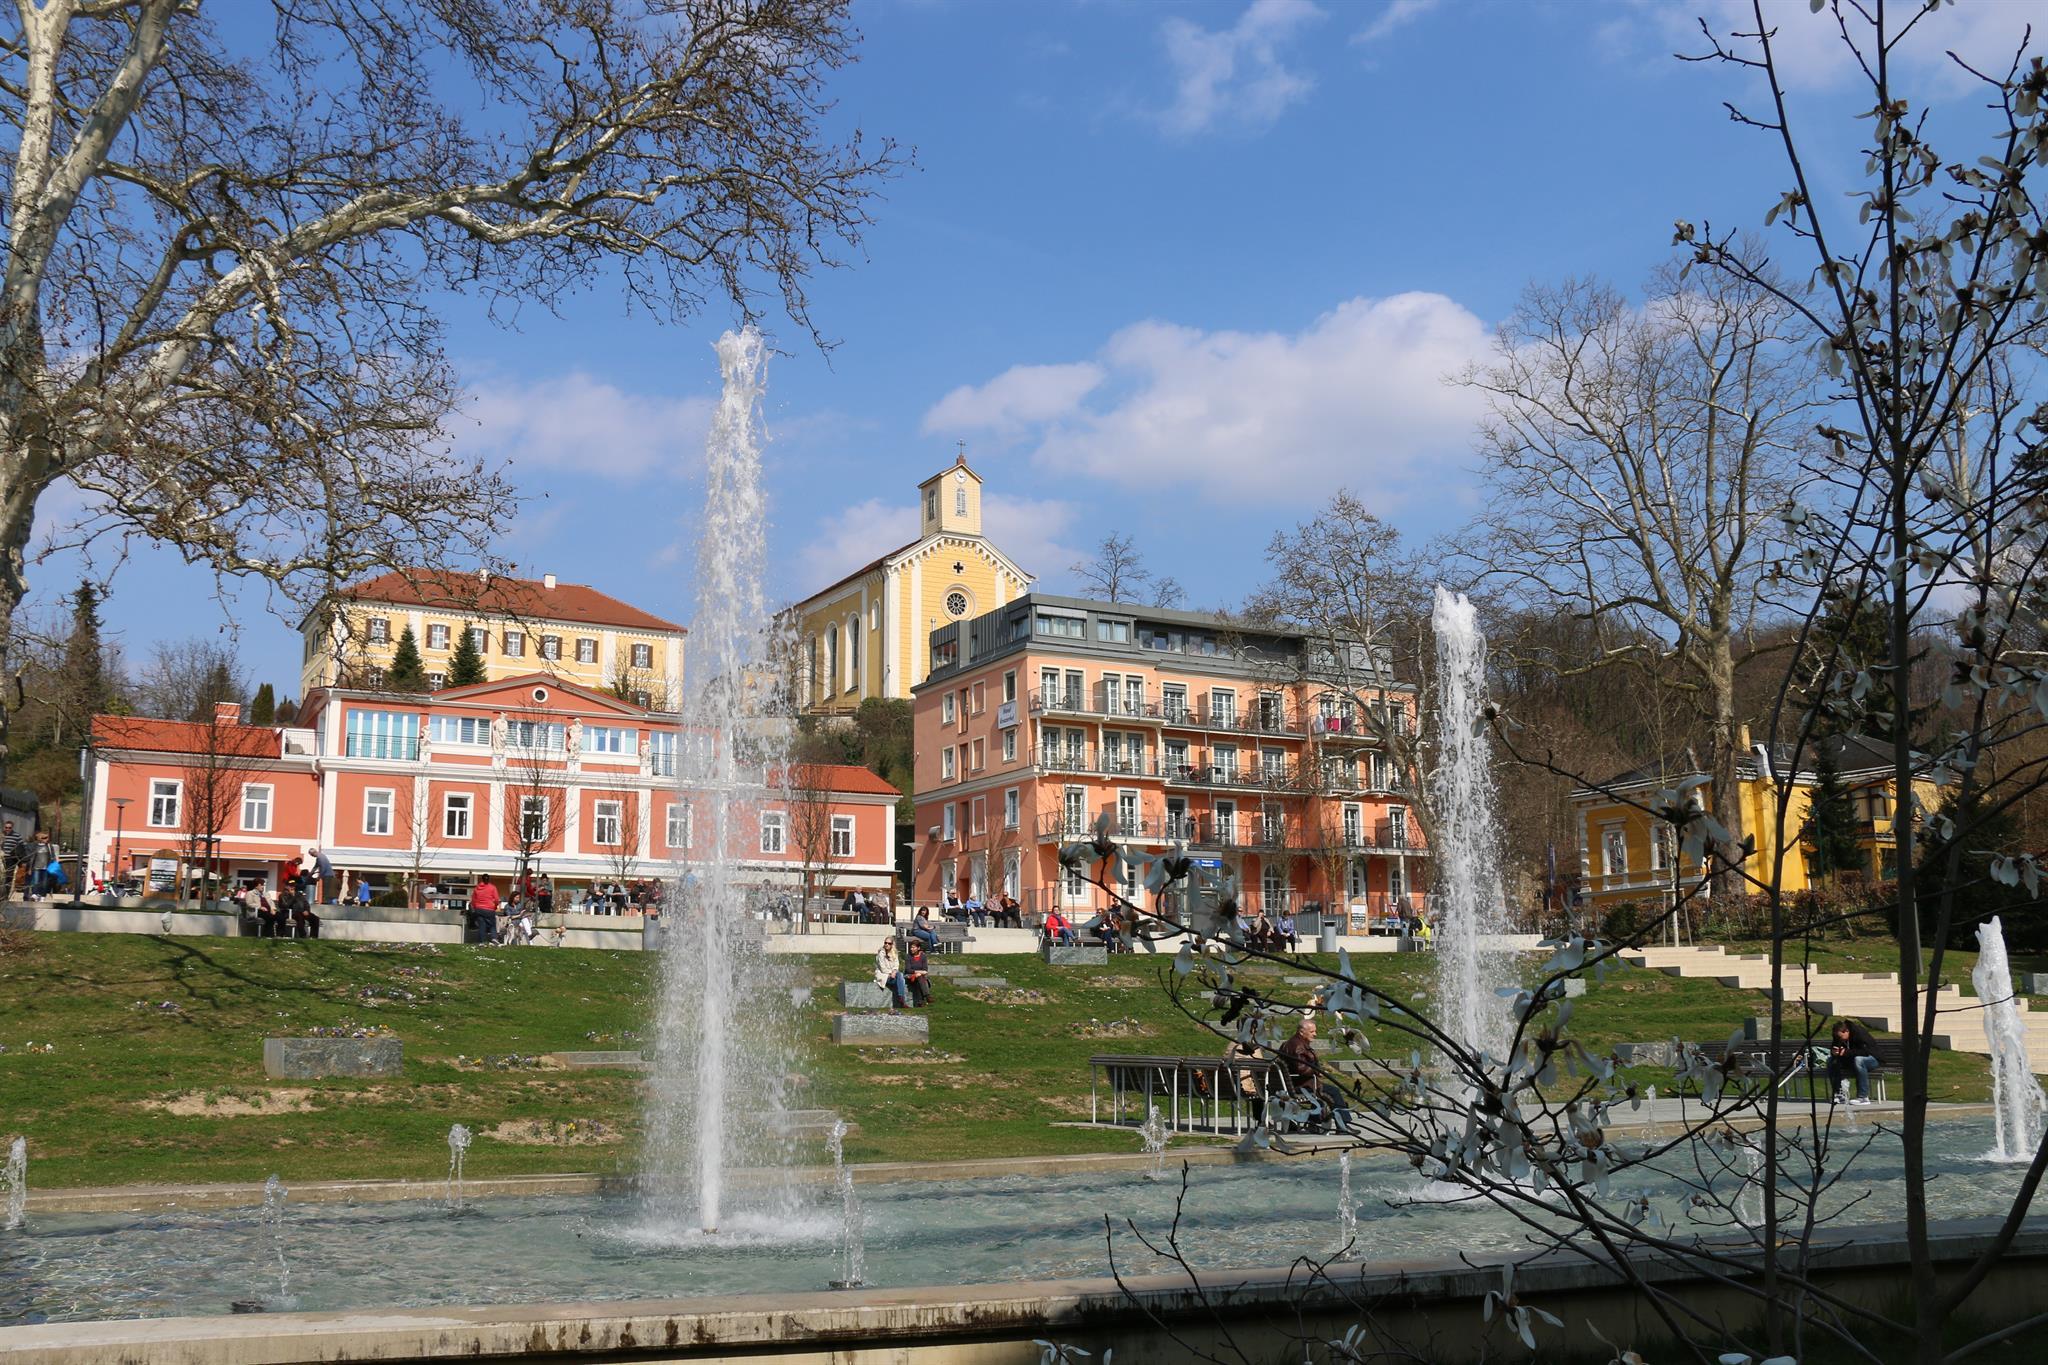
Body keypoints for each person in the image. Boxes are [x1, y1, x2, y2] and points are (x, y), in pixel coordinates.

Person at [1277, 1017, 1351, 1132]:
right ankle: (1343, 1125)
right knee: (1334, 1092)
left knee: (1320, 1093)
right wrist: (1317, 1071)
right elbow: (1301, 1068)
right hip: (1300, 1086)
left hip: (1292, 1084)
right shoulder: (1298, 1046)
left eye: (1315, 1031)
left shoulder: (1290, 1043)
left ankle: (1313, 1123)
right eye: (1312, 1032)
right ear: (1301, 1032)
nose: (1315, 1034)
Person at [1827, 1017, 1881, 1106]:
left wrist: (1846, 1052)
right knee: (1831, 1061)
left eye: (1840, 1037)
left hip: (1872, 1059)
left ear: (1847, 1031)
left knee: (1859, 1060)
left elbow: (1866, 1051)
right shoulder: (1838, 1036)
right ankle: (1839, 1094)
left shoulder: (1859, 1033)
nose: (1840, 1039)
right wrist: (1834, 1053)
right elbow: (1835, 1048)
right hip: (1851, 1060)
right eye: (1837, 1037)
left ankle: (1863, 1097)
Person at [1224, 1038, 1266, 1125]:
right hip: (1243, 1085)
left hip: (1229, 1085)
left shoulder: (1232, 1044)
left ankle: (1260, 1120)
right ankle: (1260, 1121)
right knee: (1260, 1089)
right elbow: (1261, 1064)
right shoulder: (1251, 1045)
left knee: (1257, 1086)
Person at [873, 939, 911, 1009]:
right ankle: (902, 1000)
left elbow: (896, 965)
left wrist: (894, 972)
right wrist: (891, 973)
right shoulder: (881, 953)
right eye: (885, 943)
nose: (887, 944)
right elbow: (882, 968)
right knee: (900, 978)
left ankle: (901, 998)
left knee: (900, 975)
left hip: (893, 975)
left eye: (889, 943)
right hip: (883, 976)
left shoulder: (894, 953)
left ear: (892, 945)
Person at [470, 877, 502, 944]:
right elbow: (496, 899)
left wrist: (475, 907)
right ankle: (494, 937)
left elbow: (473, 900)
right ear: (489, 879)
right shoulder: (492, 887)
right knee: (492, 924)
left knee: (482, 925)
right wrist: (495, 906)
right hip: (489, 909)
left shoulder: (477, 888)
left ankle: (482, 941)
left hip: (479, 909)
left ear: (482, 879)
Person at [903, 939, 933, 1007]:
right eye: (911, 947)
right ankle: (927, 995)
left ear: (918, 948)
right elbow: (908, 970)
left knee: (919, 980)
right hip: (910, 976)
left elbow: (925, 969)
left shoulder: (923, 956)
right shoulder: (908, 956)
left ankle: (920, 1002)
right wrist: (917, 972)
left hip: (920, 977)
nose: (911, 949)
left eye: (913, 947)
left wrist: (919, 974)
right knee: (920, 977)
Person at [2, 821, 25, 899]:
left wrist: (20, 859)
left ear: (12, 828)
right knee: (2, 876)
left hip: (11, 859)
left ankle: (6, 895)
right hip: (2, 858)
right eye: (6, 827)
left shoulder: (17, 836)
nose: (7, 829)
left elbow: (22, 847)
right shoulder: (1, 835)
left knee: (9, 877)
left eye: (9, 828)